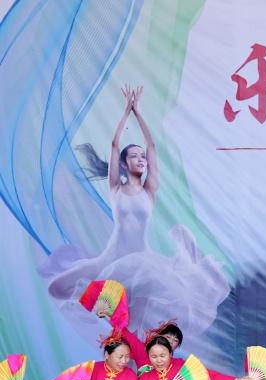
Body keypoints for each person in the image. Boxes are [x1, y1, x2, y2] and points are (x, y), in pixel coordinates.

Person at [43, 84, 228, 337]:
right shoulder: (116, 189)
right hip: (111, 259)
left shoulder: (149, 190)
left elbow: (151, 147)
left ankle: (134, 356)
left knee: (134, 328)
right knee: (56, 288)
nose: (141, 159)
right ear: (123, 163)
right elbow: (114, 144)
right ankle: (105, 327)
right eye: (134, 156)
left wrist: (138, 112)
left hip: (142, 263)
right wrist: (125, 113)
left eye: (142, 157)